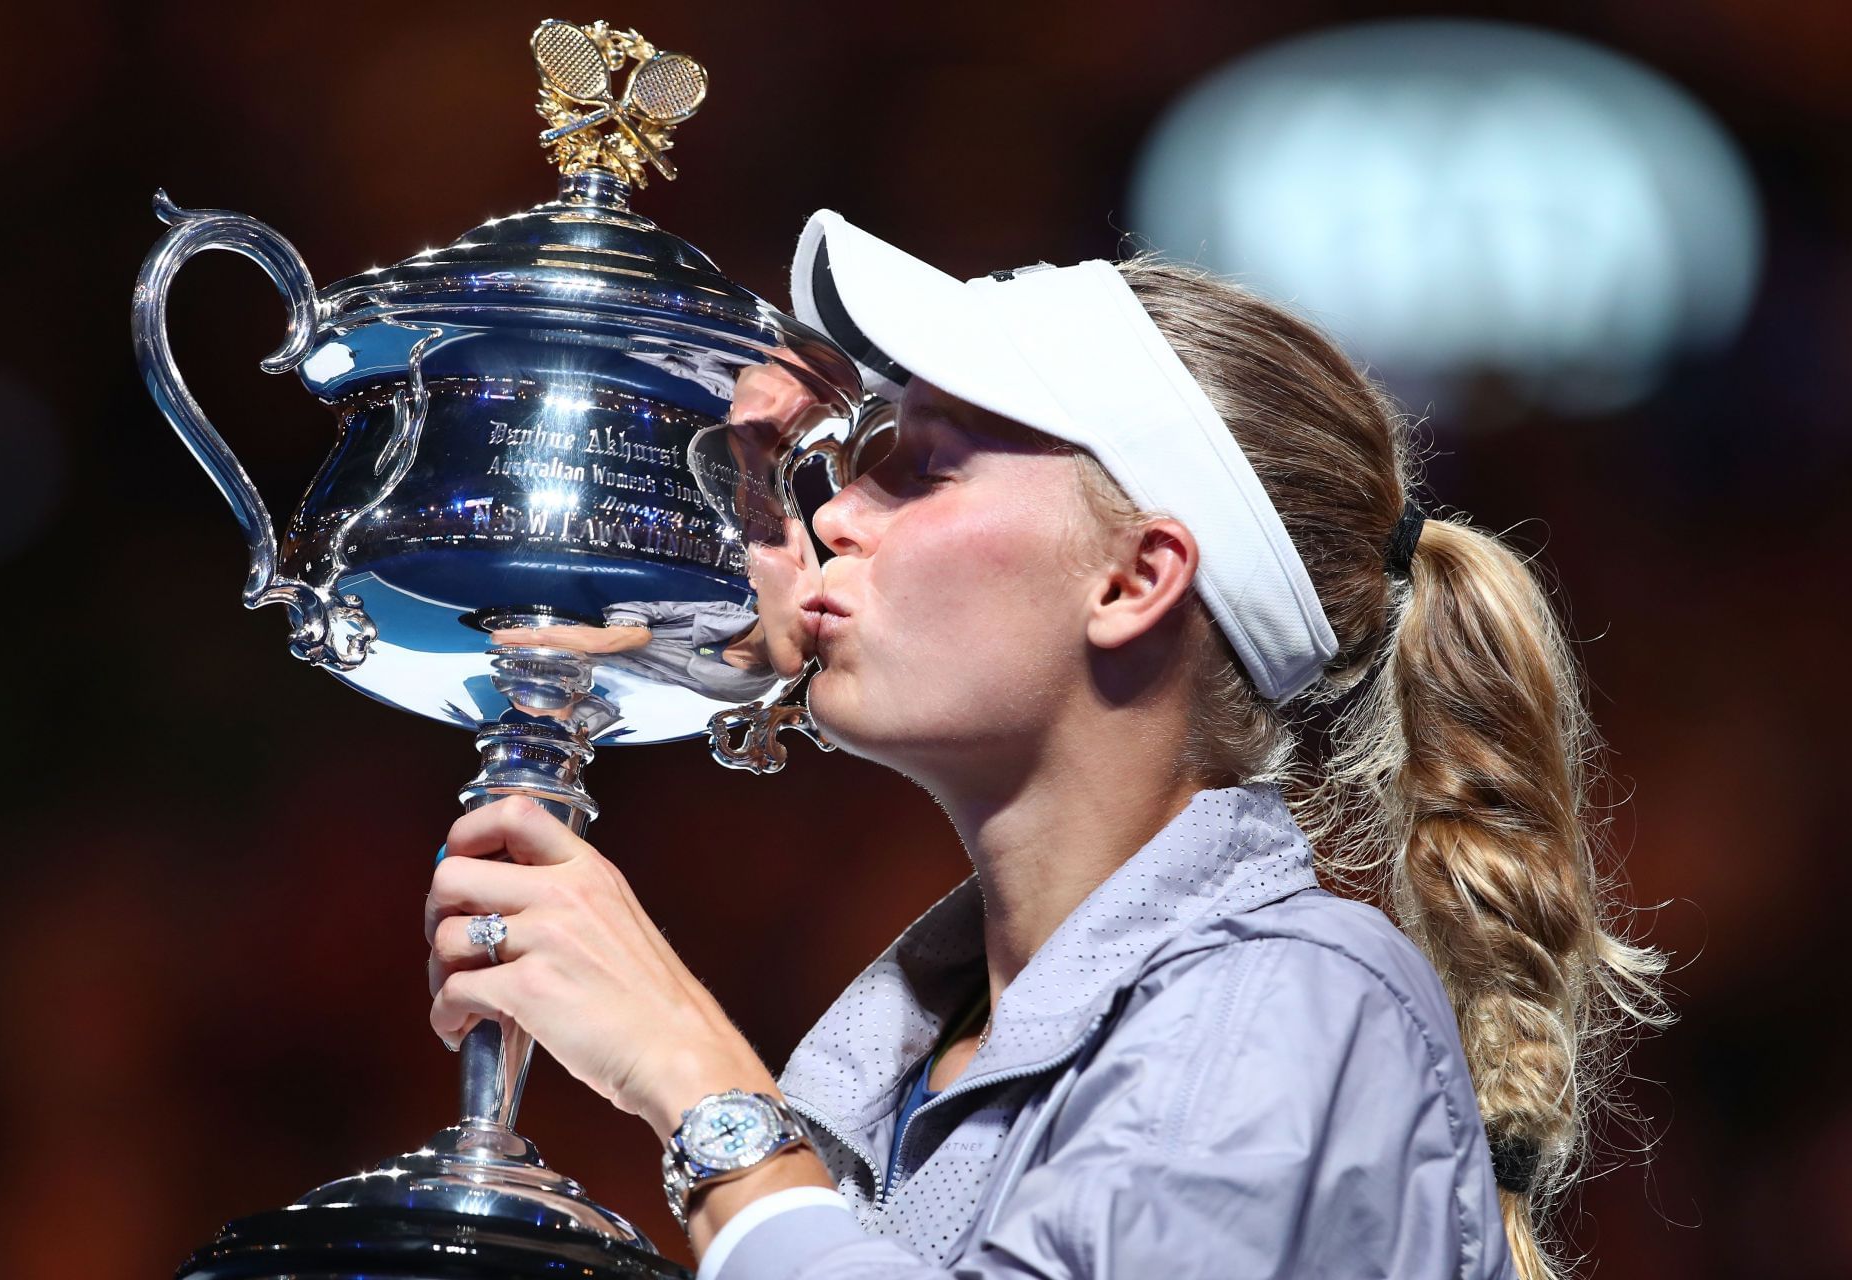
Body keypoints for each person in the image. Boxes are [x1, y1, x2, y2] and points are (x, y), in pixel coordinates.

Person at [421, 210, 1672, 1280]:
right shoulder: (901, 1058)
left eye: (917, 468)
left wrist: (693, 1078)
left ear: (1136, 579)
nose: (837, 514)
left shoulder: (1296, 996)